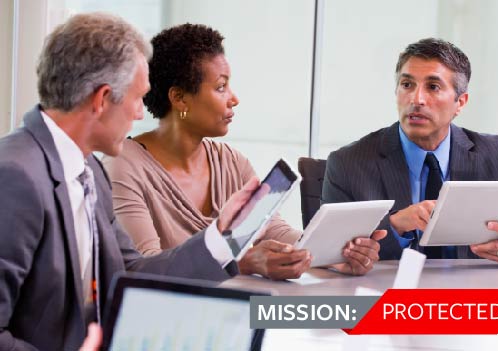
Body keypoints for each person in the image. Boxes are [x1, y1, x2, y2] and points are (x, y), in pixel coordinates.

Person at [0, 13, 262, 351]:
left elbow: (133, 273)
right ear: (102, 99)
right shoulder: (15, 176)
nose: (141, 113)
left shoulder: (89, 170)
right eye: (138, 98)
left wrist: (220, 237)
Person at [102, 23, 386, 279]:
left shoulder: (231, 162)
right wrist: (244, 262)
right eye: (221, 87)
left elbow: (274, 231)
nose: (234, 99)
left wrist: (334, 254)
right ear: (179, 98)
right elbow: (145, 268)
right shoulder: (124, 165)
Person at [322, 38, 498, 266]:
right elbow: (328, 253)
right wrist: (395, 225)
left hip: (476, 298)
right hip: (388, 298)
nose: (416, 99)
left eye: (433, 87)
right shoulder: (348, 163)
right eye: (407, 85)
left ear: (460, 102)